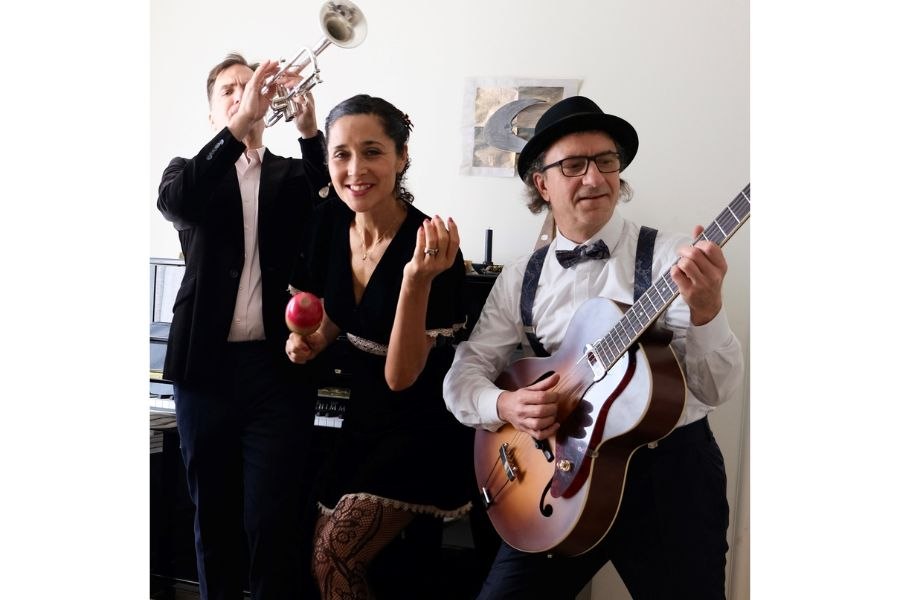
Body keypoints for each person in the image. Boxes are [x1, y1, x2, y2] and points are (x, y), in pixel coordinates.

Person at [443, 95, 745, 599]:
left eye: (606, 162)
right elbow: (463, 375)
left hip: (669, 480)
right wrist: (506, 404)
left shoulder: (674, 258)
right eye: (574, 165)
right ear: (542, 183)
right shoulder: (521, 277)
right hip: (554, 482)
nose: (595, 178)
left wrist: (708, 311)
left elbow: (717, 389)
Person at [285, 94, 473, 599]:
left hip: (418, 426)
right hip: (354, 418)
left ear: (401, 156)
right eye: (341, 154)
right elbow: (334, 320)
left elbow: (401, 377)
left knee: (334, 557)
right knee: (309, 549)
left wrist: (415, 280)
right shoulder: (329, 223)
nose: (355, 169)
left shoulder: (432, 248)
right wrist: (309, 341)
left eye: (372, 152)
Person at [156, 53, 330, 600]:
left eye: (251, 85)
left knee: (272, 523)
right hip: (204, 372)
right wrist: (236, 131)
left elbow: (333, 218)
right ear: (213, 116)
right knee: (214, 519)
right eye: (230, 89)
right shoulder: (187, 172)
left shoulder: (291, 174)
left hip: (276, 373)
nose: (244, 92)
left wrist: (309, 133)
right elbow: (177, 205)